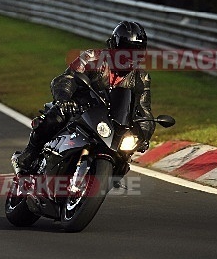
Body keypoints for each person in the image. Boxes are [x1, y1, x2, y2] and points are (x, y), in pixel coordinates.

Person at [13, 20, 156, 175]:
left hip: (110, 123)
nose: (130, 56)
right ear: (115, 46)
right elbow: (66, 79)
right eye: (127, 50)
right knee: (56, 117)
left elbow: (144, 112)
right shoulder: (92, 58)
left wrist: (143, 137)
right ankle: (28, 155)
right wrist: (64, 100)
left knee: (124, 159)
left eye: (136, 52)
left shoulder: (141, 78)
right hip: (79, 109)